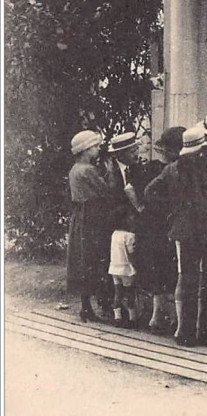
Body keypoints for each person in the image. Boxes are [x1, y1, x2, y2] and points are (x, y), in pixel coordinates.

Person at [145, 117, 207, 347]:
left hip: (186, 230)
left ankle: (186, 333)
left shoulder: (181, 164)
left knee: (188, 280)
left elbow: (151, 191)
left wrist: (173, 211)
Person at [133, 126, 185, 333]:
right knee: (169, 267)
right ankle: (167, 315)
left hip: (151, 224)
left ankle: (158, 315)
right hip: (164, 225)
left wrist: (142, 207)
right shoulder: (174, 170)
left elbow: (133, 189)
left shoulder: (149, 168)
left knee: (157, 267)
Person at [66, 129, 115, 322]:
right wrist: (110, 172)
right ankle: (96, 306)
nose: (97, 150)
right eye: (94, 147)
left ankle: (86, 306)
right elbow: (106, 191)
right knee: (94, 259)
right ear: (85, 150)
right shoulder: (88, 170)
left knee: (83, 260)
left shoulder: (75, 169)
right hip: (92, 218)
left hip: (80, 217)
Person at [108, 206, 139, 328]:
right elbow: (131, 253)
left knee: (118, 292)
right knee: (129, 293)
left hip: (114, 267)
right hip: (126, 269)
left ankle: (117, 317)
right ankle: (132, 318)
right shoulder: (130, 236)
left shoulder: (114, 234)